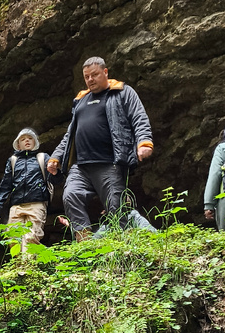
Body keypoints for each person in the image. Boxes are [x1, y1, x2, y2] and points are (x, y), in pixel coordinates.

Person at [46, 57, 153, 239]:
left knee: (115, 204)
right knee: (70, 196)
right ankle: (85, 243)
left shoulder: (122, 92)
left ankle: (119, 245)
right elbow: (70, 134)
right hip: (81, 165)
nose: (90, 80)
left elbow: (139, 118)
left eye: (94, 75)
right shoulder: (81, 100)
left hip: (109, 163)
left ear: (105, 72)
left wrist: (144, 142)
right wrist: (56, 156)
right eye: (86, 77)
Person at [0, 128, 53, 253]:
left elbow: (55, 177)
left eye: (30, 138)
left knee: (32, 237)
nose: (27, 141)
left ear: (35, 142)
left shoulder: (43, 157)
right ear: (18, 145)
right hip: (16, 204)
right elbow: (6, 184)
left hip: (37, 203)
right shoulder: (13, 161)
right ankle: (19, 267)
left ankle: (27, 268)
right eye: (23, 139)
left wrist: (55, 171)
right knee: (13, 237)